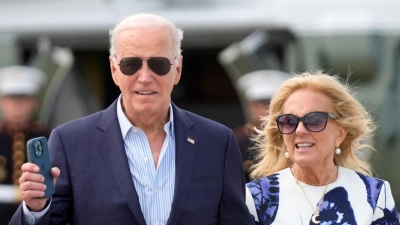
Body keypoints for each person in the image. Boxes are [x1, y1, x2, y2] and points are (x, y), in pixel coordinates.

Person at [9, 13, 253, 225]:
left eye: (158, 64)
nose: (145, 77)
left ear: (177, 70)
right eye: (130, 64)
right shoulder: (70, 142)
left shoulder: (217, 142)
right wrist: (36, 209)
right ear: (114, 70)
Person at [245, 71, 400, 224]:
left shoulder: (375, 194)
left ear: (340, 134)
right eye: (289, 121)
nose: (299, 130)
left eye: (314, 120)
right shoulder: (256, 197)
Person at [0, 65, 50, 224]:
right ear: (2, 102)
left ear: (33, 102)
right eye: (11, 98)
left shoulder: (49, 136)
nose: (16, 104)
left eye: (22, 98)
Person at [234, 70, 287, 182]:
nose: (264, 109)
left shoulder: (291, 134)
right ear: (250, 107)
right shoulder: (238, 138)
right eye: (258, 104)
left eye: (269, 103)